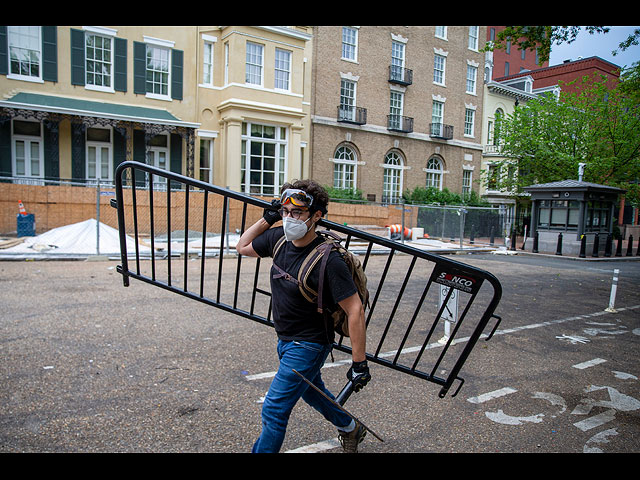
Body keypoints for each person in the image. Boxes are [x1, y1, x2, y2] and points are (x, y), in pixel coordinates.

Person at [236, 180, 370, 453]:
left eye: (296, 213)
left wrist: (359, 363)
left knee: (274, 409)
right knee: (311, 391)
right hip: (285, 340)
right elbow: (242, 246)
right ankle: (350, 427)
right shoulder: (279, 239)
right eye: (285, 211)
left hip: (309, 344)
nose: (289, 218)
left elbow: (354, 309)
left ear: (316, 216)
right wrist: (267, 219)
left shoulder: (328, 259)